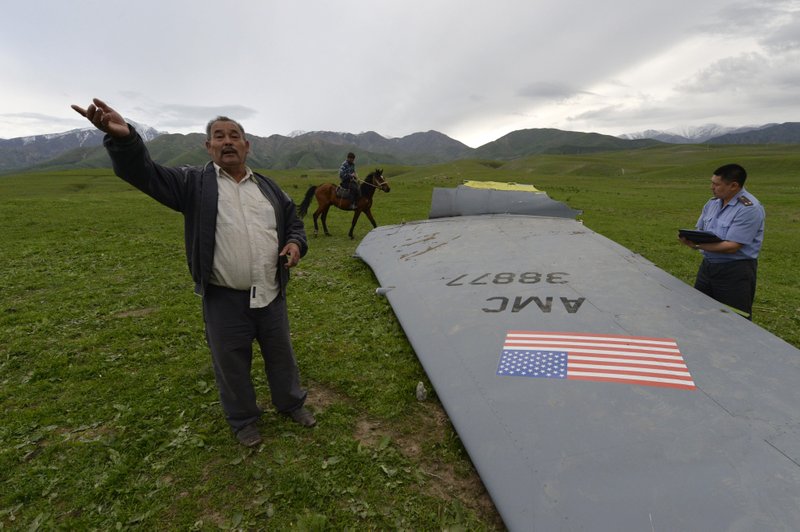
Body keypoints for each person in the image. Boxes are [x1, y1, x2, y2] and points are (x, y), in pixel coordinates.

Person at [71, 98, 316, 447]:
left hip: (270, 291)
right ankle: (244, 419)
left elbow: (293, 223)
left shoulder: (268, 187)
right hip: (224, 298)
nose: (227, 141)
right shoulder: (193, 183)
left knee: (281, 354)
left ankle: (291, 403)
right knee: (231, 364)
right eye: (219, 136)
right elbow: (144, 174)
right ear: (208, 146)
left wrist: (294, 245)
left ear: (247, 146)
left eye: (234, 135)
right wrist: (126, 141)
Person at [679, 163, 765, 320]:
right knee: (699, 311)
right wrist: (691, 237)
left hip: (734, 271)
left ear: (733, 186)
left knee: (734, 318)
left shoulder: (749, 209)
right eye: (712, 182)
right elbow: (701, 230)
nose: (712, 187)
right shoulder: (712, 203)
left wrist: (697, 245)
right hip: (708, 267)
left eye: (716, 184)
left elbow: (733, 246)